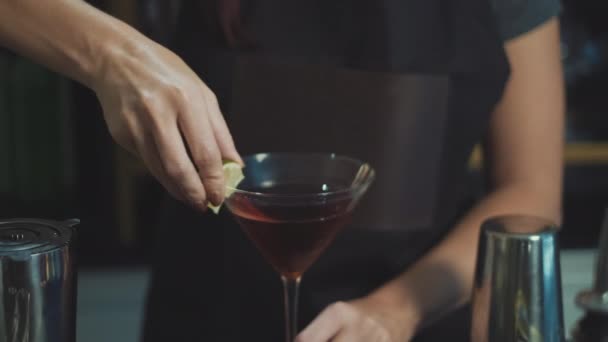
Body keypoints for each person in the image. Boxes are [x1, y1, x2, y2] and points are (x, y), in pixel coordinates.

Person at [0, 0, 564, 341]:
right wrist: (112, 57)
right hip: (213, 311)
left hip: (415, 312)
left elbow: (531, 189)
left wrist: (396, 310)